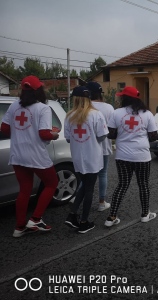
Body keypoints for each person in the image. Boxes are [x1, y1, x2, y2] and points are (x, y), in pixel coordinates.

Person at [1, 75, 59, 237]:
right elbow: (44, 134)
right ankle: (35, 219)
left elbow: (4, 129)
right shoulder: (43, 108)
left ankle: (19, 227)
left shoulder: (14, 106)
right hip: (36, 155)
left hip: (18, 154)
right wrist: (54, 134)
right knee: (52, 182)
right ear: (38, 90)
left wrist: (23, 133)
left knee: (24, 190)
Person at [104, 86, 158, 227]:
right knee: (143, 185)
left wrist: (123, 133)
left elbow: (111, 135)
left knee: (122, 185)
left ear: (124, 98)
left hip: (123, 156)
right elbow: (153, 137)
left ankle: (111, 217)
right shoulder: (147, 114)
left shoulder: (116, 113)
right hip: (142, 156)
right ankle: (145, 214)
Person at [64, 86, 108, 234]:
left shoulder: (69, 116)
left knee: (84, 186)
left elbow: (69, 139)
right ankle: (84, 222)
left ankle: (72, 215)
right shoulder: (96, 115)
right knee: (89, 188)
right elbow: (102, 136)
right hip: (93, 158)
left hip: (77, 157)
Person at [86, 81, 114, 212]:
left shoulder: (84, 106)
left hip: (87, 146)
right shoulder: (109, 107)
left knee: (85, 175)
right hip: (104, 146)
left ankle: (81, 199)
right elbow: (113, 127)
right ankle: (101, 202)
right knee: (102, 174)